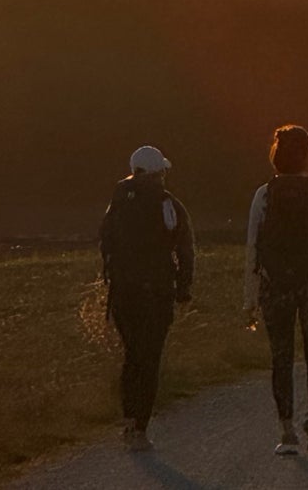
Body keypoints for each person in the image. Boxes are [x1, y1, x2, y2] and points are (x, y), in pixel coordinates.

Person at [243, 125, 308, 456]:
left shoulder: (265, 194)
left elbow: (253, 247)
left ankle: (286, 429)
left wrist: (249, 299)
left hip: (276, 285)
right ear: (307, 155)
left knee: (282, 356)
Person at [99, 145, 195, 452]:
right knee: (150, 358)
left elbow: (105, 240)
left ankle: (128, 420)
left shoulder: (119, 199)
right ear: (158, 172)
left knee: (133, 355)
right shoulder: (168, 203)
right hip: (156, 291)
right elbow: (184, 247)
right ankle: (140, 429)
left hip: (123, 292)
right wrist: (183, 288)